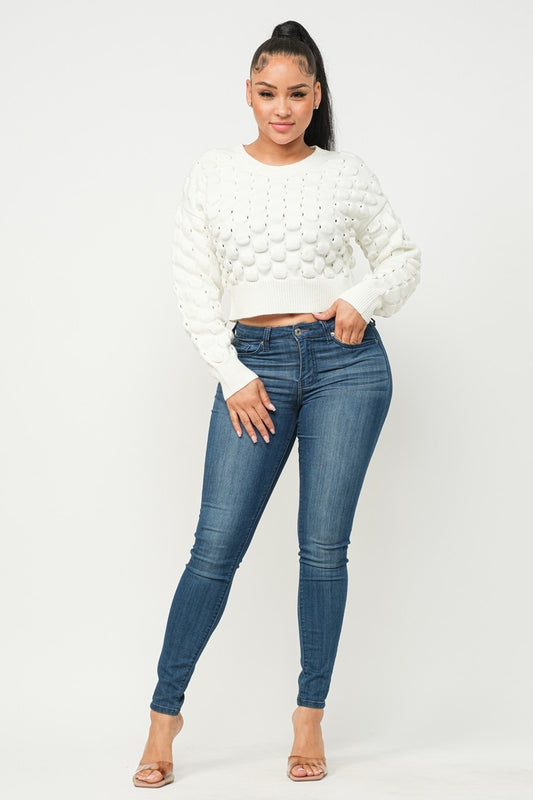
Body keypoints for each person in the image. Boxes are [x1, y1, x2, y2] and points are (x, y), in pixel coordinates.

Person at [133, 19, 421, 788]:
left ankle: (308, 716)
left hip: (344, 367)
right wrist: (231, 373)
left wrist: (361, 297)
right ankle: (164, 718)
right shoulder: (213, 173)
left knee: (322, 549)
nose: (282, 108)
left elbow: (401, 257)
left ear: (315, 95)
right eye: (267, 93)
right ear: (248, 94)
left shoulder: (344, 174)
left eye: (296, 94)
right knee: (214, 548)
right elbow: (194, 285)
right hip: (252, 368)